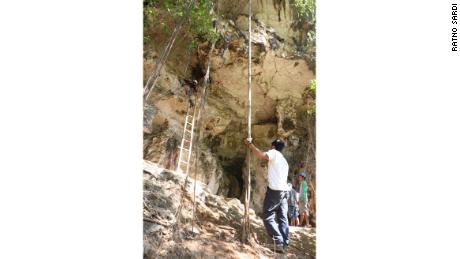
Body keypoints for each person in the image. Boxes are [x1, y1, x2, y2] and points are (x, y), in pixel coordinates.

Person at [244, 138, 289, 253]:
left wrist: (250, 145)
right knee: (282, 217)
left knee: (268, 215)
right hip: (284, 191)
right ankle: (284, 242)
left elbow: (261, 155)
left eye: (270, 146)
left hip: (275, 191)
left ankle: (278, 242)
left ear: (273, 146)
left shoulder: (274, 153)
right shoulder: (284, 160)